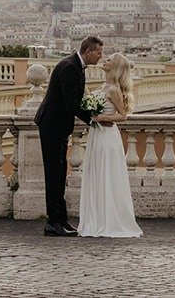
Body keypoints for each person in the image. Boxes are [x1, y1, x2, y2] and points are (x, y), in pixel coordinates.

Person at [33, 35, 104, 237]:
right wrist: (93, 119)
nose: (100, 57)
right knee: (54, 173)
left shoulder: (75, 66)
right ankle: (52, 222)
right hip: (52, 126)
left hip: (58, 126)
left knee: (60, 172)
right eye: (98, 53)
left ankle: (61, 219)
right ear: (88, 51)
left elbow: (76, 99)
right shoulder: (70, 67)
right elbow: (71, 104)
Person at [77, 52, 143, 238]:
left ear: (115, 68)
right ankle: (97, 219)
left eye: (108, 61)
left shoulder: (113, 89)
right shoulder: (104, 86)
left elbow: (122, 116)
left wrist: (101, 117)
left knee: (106, 174)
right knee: (97, 173)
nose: (104, 61)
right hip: (97, 135)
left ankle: (107, 220)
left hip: (107, 135)